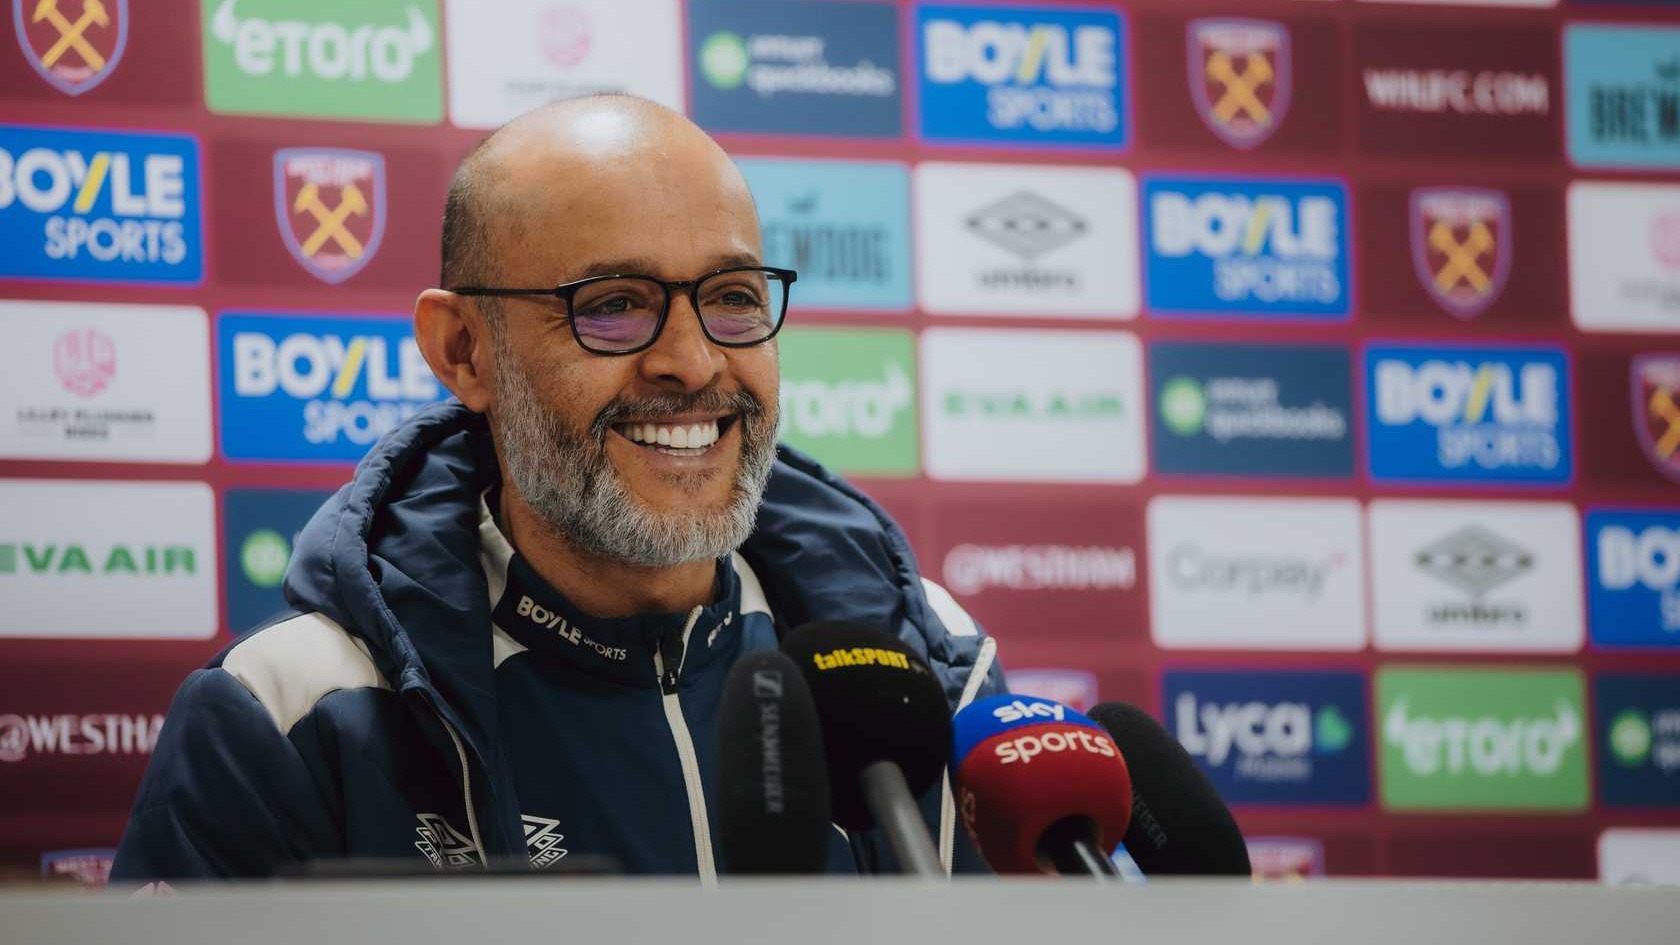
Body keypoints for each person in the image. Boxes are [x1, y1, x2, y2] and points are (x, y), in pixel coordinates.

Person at [109, 95, 1005, 881]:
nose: (691, 361)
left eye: (732, 296)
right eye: (612, 304)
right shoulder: (289, 711)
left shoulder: (928, 665)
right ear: (464, 350)